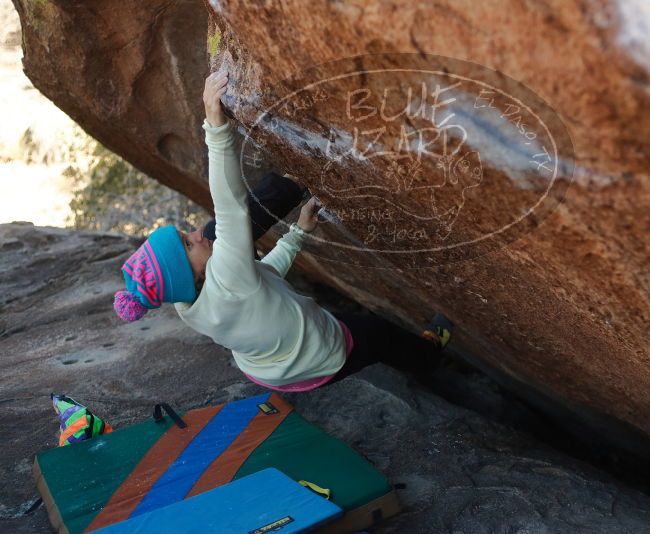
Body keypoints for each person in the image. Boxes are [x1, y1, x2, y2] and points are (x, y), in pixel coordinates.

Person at [113, 68, 454, 392]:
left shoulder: (187, 306)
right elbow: (229, 206)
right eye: (189, 245)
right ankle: (429, 354)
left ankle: (290, 189)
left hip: (270, 370)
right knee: (379, 335)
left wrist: (297, 233)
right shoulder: (227, 277)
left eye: (185, 236)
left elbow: (261, 280)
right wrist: (214, 124)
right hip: (321, 357)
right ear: (194, 274)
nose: (197, 235)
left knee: (232, 246)